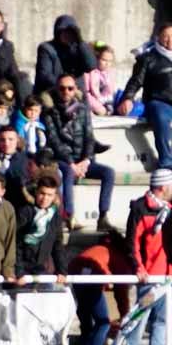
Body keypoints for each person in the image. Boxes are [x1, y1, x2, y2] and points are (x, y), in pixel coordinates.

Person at [43, 75, 116, 231]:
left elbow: (89, 137)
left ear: (75, 89)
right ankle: (68, 216)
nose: (66, 92)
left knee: (109, 172)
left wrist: (86, 160)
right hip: (62, 160)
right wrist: (71, 163)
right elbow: (54, 140)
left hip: (82, 160)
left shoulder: (83, 109)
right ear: (57, 89)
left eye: (70, 88)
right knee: (68, 172)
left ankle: (103, 216)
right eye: (62, 88)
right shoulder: (50, 111)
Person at [122, 168, 172, 345]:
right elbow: (132, 242)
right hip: (149, 275)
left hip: (167, 275)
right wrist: (139, 267)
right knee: (141, 316)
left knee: (163, 319)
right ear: (163, 186)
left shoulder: (169, 208)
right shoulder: (140, 208)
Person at [69, 232, 132, 345]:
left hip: (76, 276)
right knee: (103, 323)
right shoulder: (117, 256)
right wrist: (125, 316)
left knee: (86, 323)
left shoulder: (96, 249)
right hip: (93, 278)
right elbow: (121, 290)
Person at [117, 22, 172, 169]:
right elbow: (136, 81)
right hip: (159, 101)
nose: (169, 41)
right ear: (158, 38)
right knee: (160, 116)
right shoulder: (148, 58)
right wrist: (127, 98)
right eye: (166, 37)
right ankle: (167, 161)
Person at [15, 176, 67, 283]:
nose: (45, 198)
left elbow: (58, 246)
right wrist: (19, 271)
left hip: (42, 270)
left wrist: (61, 271)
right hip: (22, 272)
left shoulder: (55, 216)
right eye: (42, 193)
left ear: (54, 197)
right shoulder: (25, 212)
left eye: (49, 195)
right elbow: (15, 243)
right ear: (36, 192)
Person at [35, 15, 97, 92]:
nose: (67, 36)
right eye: (64, 32)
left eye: (70, 33)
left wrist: (80, 41)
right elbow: (44, 76)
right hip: (52, 91)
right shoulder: (46, 48)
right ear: (57, 33)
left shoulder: (79, 48)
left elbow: (91, 66)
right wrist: (65, 85)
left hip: (75, 91)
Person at [83, 44, 118, 116]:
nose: (107, 64)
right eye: (104, 60)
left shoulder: (111, 73)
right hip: (93, 105)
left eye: (110, 61)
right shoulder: (89, 72)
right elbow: (85, 93)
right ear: (97, 59)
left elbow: (111, 92)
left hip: (108, 104)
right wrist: (97, 107)